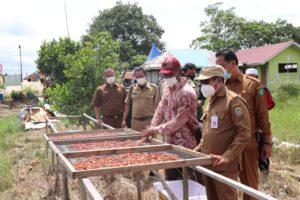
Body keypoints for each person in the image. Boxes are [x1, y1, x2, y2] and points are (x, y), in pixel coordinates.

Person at [216, 50, 272, 200]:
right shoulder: (219, 85)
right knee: (225, 186)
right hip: (225, 147)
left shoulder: (253, 85)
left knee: (250, 187)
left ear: (232, 63)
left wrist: (267, 142)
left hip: (247, 145)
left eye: (221, 65)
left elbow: (262, 116)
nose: (219, 70)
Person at [194, 65, 251, 200]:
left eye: (206, 82)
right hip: (208, 162)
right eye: (201, 82)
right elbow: (207, 131)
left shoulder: (234, 101)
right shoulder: (211, 100)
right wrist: (196, 151)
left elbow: (244, 134)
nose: (202, 85)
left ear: (218, 81)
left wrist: (227, 156)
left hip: (225, 165)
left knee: (226, 197)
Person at [141, 55, 198, 180]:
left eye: (169, 74)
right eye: (165, 75)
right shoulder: (168, 89)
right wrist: (151, 127)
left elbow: (179, 121)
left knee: (188, 180)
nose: (166, 77)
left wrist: (156, 130)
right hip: (170, 141)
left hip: (186, 143)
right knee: (171, 178)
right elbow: (160, 110)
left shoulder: (186, 92)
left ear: (178, 72)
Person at [122, 67, 159, 131]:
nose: (139, 78)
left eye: (141, 76)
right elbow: (127, 104)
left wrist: (156, 121)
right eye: (137, 77)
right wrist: (124, 120)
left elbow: (157, 106)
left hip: (149, 121)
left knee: (149, 140)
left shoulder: (154, 88)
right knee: (135, 140)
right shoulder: (132, 88)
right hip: (135, 122)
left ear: (145, 75)